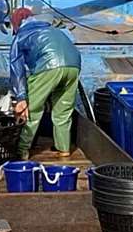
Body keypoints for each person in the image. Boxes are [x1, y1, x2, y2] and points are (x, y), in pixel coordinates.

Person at [9, 12, 84, 155]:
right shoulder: (54, 30)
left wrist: (21, 97)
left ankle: (21, 150)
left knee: (32, 109)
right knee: (63, 111)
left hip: (49, 66)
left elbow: (16, 68)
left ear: (16, 24)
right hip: (74, 65)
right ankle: (64, 148)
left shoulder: (21, 35)